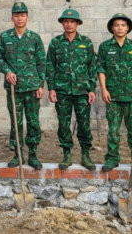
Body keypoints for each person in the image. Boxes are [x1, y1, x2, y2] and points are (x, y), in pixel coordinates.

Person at [97, 13, 132, 173]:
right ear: (112, 28)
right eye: (116, 25)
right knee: (113, 130)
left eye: (123, 25)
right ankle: (112, 159)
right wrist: (104, 89)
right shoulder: (105, 47)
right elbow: (101, 69)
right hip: (113, 96)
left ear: (128, 27)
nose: (119, 28)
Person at [0, 2, 46, 170]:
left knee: (33, 122)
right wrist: (7, 71)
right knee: (15, 122)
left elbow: (41, 62)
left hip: (32, 87)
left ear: (27, 17)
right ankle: (18, 154)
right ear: (12, 18)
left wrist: (40, 84)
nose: (19, 18)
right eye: (16, 15)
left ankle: (33, 154)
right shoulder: (5, 37)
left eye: (22, 15)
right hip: (13, 88)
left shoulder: (34, 37)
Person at [46, 9, 97, 171]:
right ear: (62, 23)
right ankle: (66, 154)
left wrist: (91, 89)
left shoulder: (86, 42)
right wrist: (51, 88)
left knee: (84, 124)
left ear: (77, 23)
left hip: (82, 91)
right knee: (63, 124)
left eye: (72, 21)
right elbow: (50, 66)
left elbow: (92, 67)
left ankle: (85, 155)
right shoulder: (55, 43)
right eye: (66, 21)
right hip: (62, 91)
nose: (69, 24)